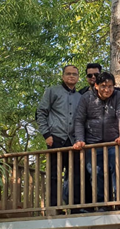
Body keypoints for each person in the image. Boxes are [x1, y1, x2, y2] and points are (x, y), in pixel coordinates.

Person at [73, 72, 120, 210]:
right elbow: (79, 120)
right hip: (93, 143)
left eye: (110, 86)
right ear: (96, 86)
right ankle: (103, 203)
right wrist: (80, 139)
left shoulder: (118, 96)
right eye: (103, 86)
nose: (107, 90)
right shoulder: (86, 97)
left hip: (113, 142)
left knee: (117, 170)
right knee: (96, 172)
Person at [36, 65, 84, 208]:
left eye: (74, 74)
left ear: (78, 77)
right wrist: (46, 134)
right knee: (54, 174)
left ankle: (74, 206)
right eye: (68, 74)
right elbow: (41, 112)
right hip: (55, 138)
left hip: (73, 141)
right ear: (63, 76)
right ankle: (54, 206)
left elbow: (81, 119)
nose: (71, 76)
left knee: (75, 175)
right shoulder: (52, 91)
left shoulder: (79, 97)